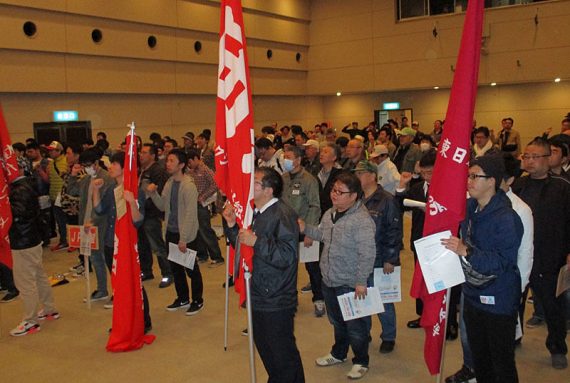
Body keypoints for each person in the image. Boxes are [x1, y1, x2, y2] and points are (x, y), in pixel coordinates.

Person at [446, 154, 534, 383]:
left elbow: (503, 261)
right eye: (469, 176)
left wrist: (467, 251)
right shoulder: (470, 208)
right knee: (480, 357)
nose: (469, 181)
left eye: (475, 176)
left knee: (501, 362)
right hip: (473, 293)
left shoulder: (507, 217)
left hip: (498, 298)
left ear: (492, 181)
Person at [223, 167, 305, 383]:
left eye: (256, 182)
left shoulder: (282, 214)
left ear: (269, 190)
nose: (250, 185)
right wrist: (232, 226)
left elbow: (288, 256)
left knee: (281, 353)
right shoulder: (254, 212)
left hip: (275, 296)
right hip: (258, 291)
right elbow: (244, 248)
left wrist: (257, 242)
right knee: (269, 351)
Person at [301, 171, 376, 380]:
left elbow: (367, 253)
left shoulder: (362, 220)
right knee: (337, 322)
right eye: (334, 190)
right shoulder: (330, 213)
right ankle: (338, 353)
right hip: (330, 279)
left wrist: (361, 282)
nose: (334, 195)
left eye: (340, 192)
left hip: (351, 283)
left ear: (353, 196)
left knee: (356, 327)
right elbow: (322, 234)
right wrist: (305, 228)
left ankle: (361, 361)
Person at [512, 137, 570, 369]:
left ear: (549, 159)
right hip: (518, 256)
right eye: (527, 156)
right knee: (514, 301)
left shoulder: (563, 187)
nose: (530, 161)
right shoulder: (517, 186)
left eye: (536, 157)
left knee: (551, 305)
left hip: (550, 257)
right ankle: (514, 336)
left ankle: (557, 347)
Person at [92, 151, 152, 332]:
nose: (110, 167)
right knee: (118, 284)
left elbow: (138, 221)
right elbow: (100, 209)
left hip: (128, 245)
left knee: (134, 283)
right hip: (111, 243)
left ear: (125, 167)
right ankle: (123, 320)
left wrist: (132, 202)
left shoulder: (135, 190)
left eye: (114, 164)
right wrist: (95, 189)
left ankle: (144, 320)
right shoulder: (112, 189)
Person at [147, 149, 204, 315]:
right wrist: (152, 194)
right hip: (171, 232)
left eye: (172, 161)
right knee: (176, 269)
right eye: (168, 160)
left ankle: (197, 300)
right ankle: (183, 298)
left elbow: (190, 215)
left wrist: (184, 239)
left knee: (191, 269)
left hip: (186, 235)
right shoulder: (170, 183)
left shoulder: (188, 186)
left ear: (181, 165)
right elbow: (163, 207)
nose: (168, 163)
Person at [354, 160, 402, 354]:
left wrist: (390, 258)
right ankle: (364, 332)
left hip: (380, 257)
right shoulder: (356, 199)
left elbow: (394, 230)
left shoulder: (387, 200)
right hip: (360, 258)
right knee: (362, 297)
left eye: (360, 174)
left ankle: (388, 336)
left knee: (383, 300)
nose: (356, 178)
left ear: (372, 176)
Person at [9, 162, 59, 336]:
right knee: (38, 275)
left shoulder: (18, 189)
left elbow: (19, 213)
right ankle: (49, 308)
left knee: (25, 281)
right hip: (31, 237)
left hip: (23, 240)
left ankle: (30, 320)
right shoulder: (25, 186)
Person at [67, 149, 114, 302]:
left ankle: (117, 290)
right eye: (83, 165)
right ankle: (102, 289)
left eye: (88, 165)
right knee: (94, 258)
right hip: (86, 225)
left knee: (108, 259)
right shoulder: (87, 179)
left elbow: (105, 207)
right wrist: (73, 176)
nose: (86, 168)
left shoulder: (106, 178)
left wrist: (93, 220)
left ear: (96, 163)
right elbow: (72, 191)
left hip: (102, 225)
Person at [281, 145, 322, 315]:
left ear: (297, 160)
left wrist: (310, 232)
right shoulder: (283, 178)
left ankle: (319, 299)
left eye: (289, 157)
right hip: (286, 229)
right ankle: (291, 299)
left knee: (313, 267)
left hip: (305, 229)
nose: (285, 160)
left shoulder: (309, 180)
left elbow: (315, 206)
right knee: (288, 266)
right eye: (284, 157)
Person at [138, 143, 173, 287]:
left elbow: (158, 192)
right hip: (140, 213)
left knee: (157, 245)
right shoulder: (141, 170)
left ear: (153, 155)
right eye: (141, 152)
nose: (141, 155)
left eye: (145, 152)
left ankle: (168, 273)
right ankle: (146, 271)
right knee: (143, 244)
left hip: (151, 213)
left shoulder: (157, 170)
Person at [186, 148, 224, 266]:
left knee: (205, 230)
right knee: (197, 231)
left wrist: (203, 196)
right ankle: (202, 255)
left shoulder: (205, 169)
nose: (189, 165)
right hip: (194, 204)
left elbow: (216, 183)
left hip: (203, 204)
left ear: (196, 159)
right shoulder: (192, 170)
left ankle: (217, 257)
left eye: (190, 162)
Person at [46, 140, 69, 251]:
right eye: (49, 151)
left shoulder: (66, 161)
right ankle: (63, 240)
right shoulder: (51, 163)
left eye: (52, 151)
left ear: (59, 151)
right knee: (59, 221)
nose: (50, 153)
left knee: (64, 220)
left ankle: (66, 241)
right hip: (54, 196)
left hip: (63, 196)